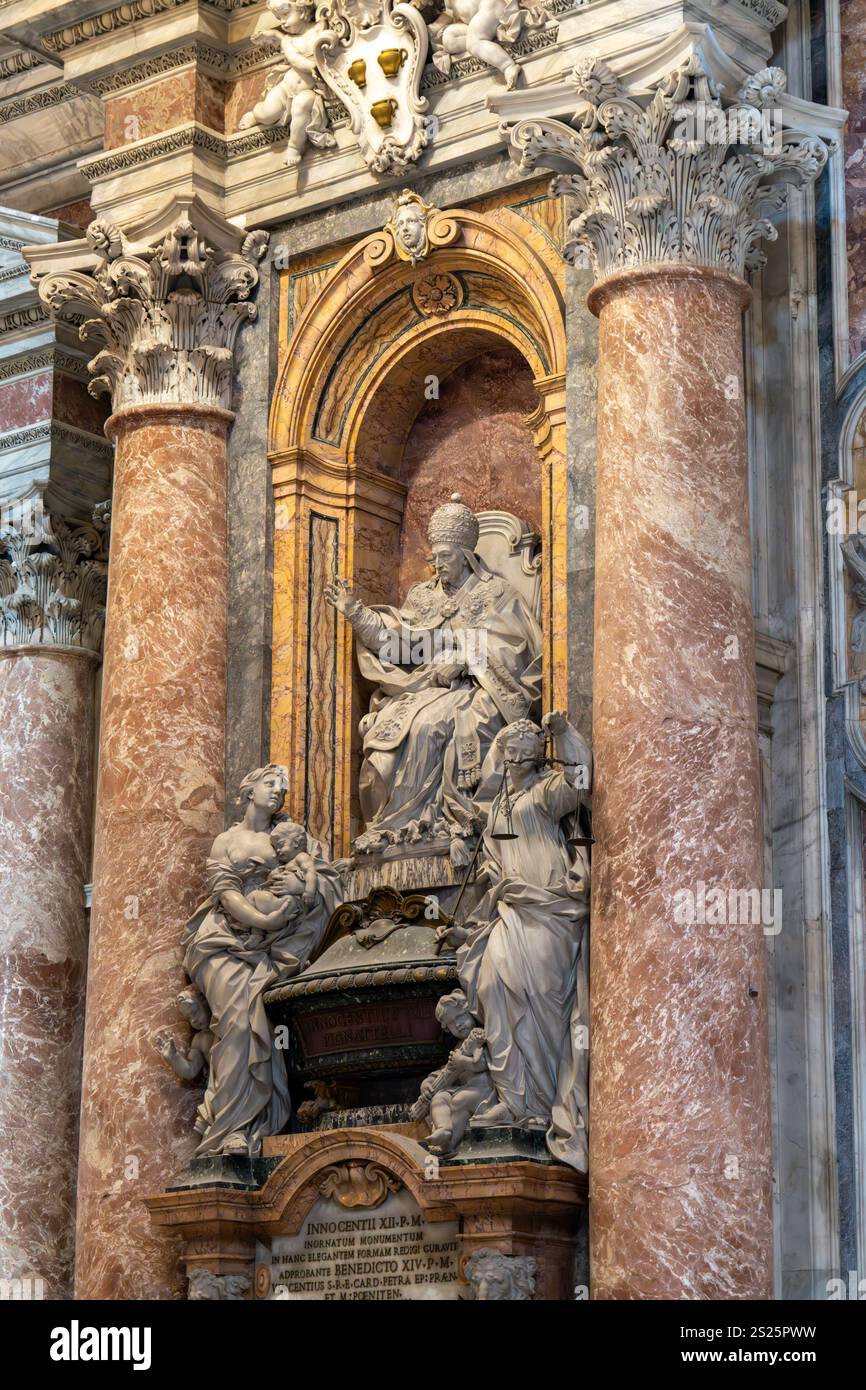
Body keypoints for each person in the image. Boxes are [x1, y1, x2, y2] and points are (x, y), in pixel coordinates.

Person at [324, 492, 541, 865]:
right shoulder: (423, 597)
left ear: (466, 555)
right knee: (381, 741)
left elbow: (515, 648)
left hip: (478, 687)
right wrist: (355, 613)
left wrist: (464, 660)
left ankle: (434, 825)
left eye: (446, 556)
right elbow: (397, 645)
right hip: (423, 684)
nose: (438, 565)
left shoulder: (496, 592)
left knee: (429, 727)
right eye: (434, 557)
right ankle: (391, 830)